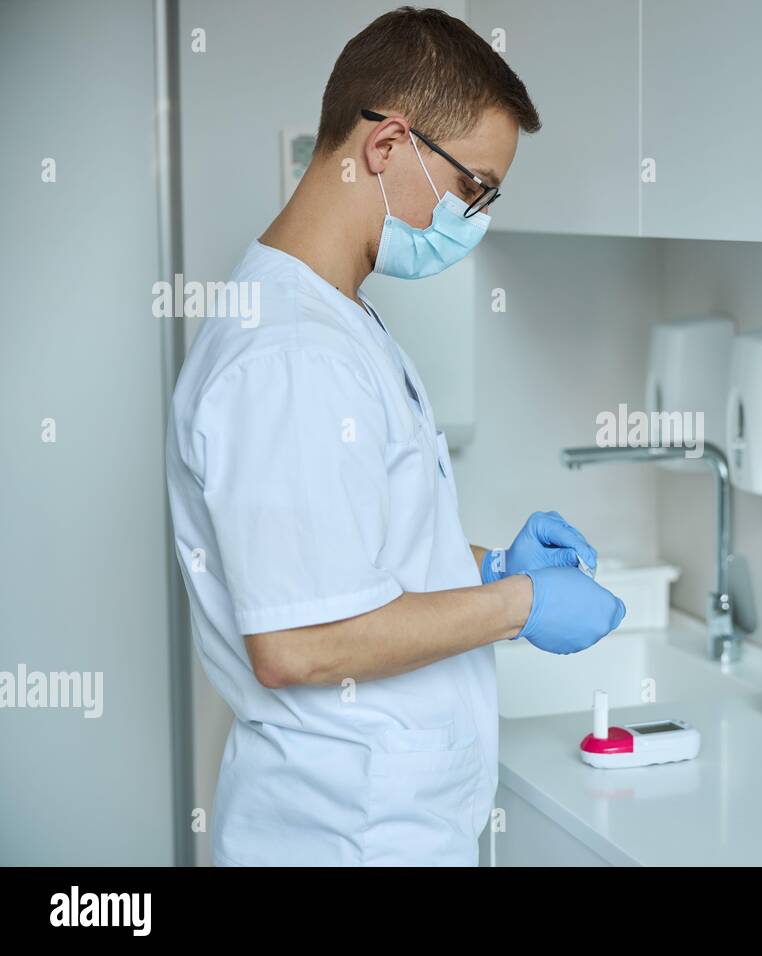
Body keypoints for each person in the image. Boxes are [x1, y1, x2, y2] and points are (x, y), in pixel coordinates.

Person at [164, 6, 625, 866]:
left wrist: (483, 566)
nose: (479, 215)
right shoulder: (290, 354)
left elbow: (338, 554)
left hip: (376, 825)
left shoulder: (331, 319)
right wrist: (519, 605)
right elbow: (297, 643)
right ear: (386, 146)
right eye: (473, 186)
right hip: (342, 835)